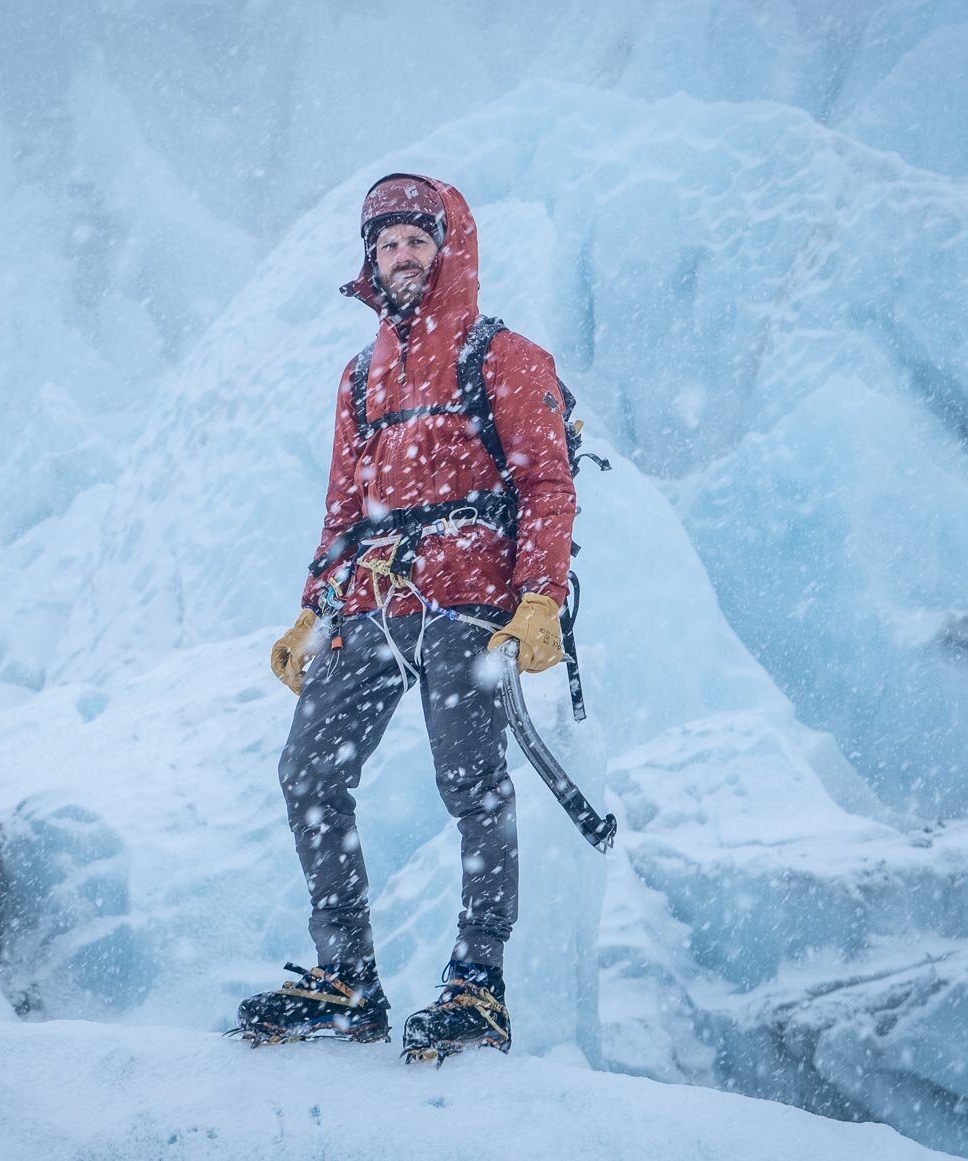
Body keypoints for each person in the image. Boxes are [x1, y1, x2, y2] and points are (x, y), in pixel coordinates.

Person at [234, 174, 576, 1061]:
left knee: (471, 785)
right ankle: (346, 977)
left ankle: (477, 985)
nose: (399, 256)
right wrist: (312, 611)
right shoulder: (359, 378)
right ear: (368, 261)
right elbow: (342, 511)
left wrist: (538, 596)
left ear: (447, 247)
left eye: (414, 240)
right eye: (383, 244)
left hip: (469, 599)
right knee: (308, 771)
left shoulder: (503, 356)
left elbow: (545, 486)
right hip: (373, 601)